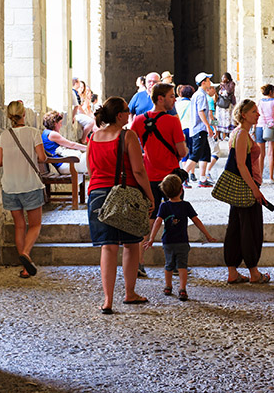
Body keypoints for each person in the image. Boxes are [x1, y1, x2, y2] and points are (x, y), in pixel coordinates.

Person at [87, 97, 155, 314]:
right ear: (120, 115)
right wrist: (149, 195)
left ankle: (107, 300)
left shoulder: (93, 137)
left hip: (97, 194)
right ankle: (130, 293)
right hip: (123, 194)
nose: (130, 113)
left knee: (108, 247)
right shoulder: (127, 136)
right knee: (130, 244)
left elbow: (90, 169)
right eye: (127, 110)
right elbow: (138, 170)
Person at [131, 82, 188, 277]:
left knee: (147, 220)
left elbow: (131, 146)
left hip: (148, 178)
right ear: (160, 98)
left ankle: (139, 263)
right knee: (175, 220)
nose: (174, 99)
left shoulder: (138, 120)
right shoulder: (173, 121)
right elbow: (181, 151)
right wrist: (184, 150)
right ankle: (176, 262)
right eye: (172, 96)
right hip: (171, 177)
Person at [0, 100, 47, 278]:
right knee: (35, 224)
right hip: (30, 185)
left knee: (19, 226)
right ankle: (25, 254)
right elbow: (42, 157)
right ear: (24, 114)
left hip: (10, 186)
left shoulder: (3, 136)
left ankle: (25, 268)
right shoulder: (33, 133)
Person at [144, 173, 216, 301]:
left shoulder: (164, 206)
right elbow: (196, 221)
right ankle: (182, 289)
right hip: (182, 241)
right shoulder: (186, 205)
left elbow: (157, 222)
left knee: (168, 265)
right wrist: (207, 235)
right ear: (181, 190)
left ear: (164, 192)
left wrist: (151, 239)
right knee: (182, 266)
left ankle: (168, 286)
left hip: (167, 241)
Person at [223, 99, 271, 285]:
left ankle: (233, 271)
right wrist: (255, 191)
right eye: (254, 111)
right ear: (244, 114)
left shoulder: (239, 133)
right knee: (251, 229)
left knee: (236, 227)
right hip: (247, 188)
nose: (257, 114)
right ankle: (254, 273)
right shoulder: (242, 134)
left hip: (242, 188)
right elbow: (242, 165)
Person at [183, 72, 218, 187]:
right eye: (208, 81)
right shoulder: (203, 96)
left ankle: (202, 179)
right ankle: (181, 178)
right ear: (204, 83)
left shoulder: (200, 95)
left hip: (200, 128)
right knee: (195, 155)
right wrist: (211, 126)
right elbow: (203, 112)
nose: (210, 84)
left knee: (205, 154)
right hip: (200, 128)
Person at [256, 84, 274, 183]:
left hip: (260, 126)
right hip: (271, 127)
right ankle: (271, 177)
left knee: (261, 154)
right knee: (271, 153)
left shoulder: (260, 102)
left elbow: (257, 114)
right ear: (271, 92)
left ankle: (260, 177)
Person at [175, 84, 195, 184]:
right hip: (190, 129)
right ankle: (188, 174)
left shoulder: (177, 104)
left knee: (183, 154)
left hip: (180, 130)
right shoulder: (192, 104)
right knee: (191, 152)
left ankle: (184, 178)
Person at [216, 72, 237, 139]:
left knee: (228, 118)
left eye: (224, 77)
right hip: (221, 105)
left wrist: (224, 85)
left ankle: (228, 133)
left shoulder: (231, 84)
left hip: (228, 104)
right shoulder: (221, 85)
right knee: (219, 119)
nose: (223, 79)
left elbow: (229, 91)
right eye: (222, 77)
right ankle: (219, 133)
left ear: (228, 78)